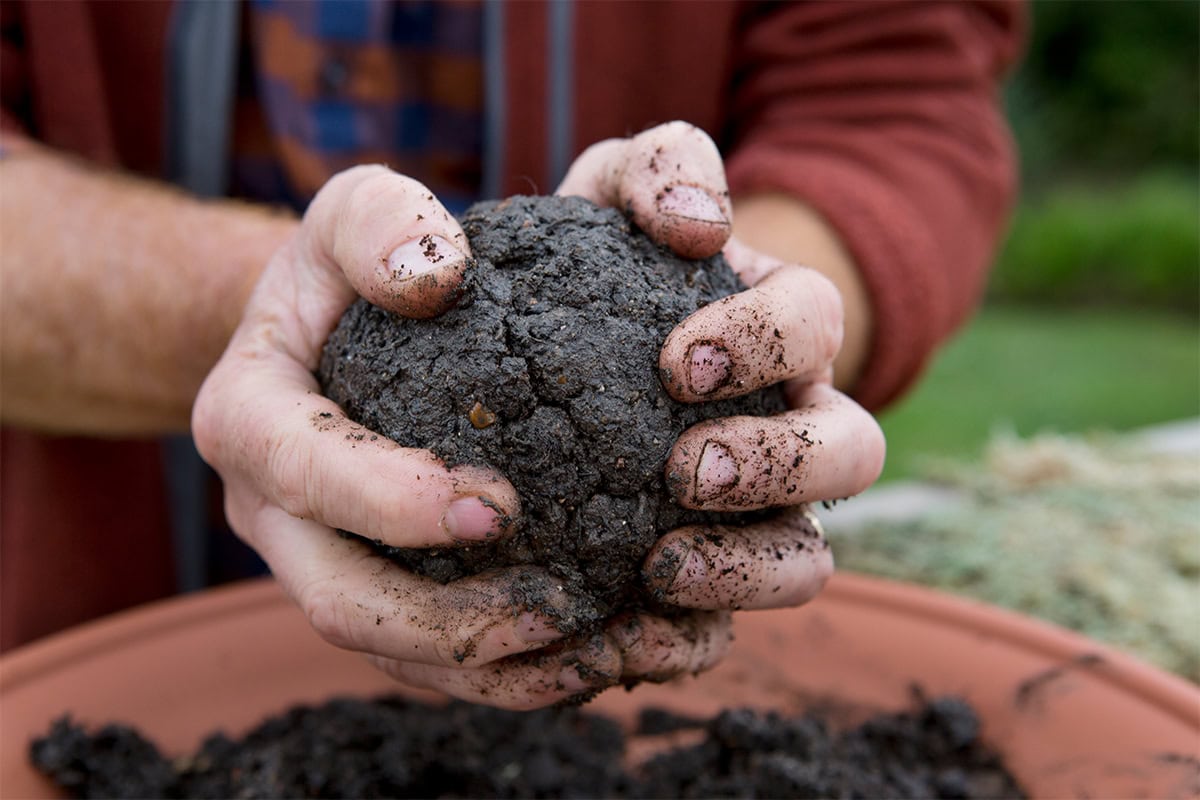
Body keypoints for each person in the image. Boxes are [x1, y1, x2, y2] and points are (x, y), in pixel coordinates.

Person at [0, 1, 1024, 709]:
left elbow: (892, 105)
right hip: (109, 624)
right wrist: (277, 317)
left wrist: (764, 320)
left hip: (668, 661)